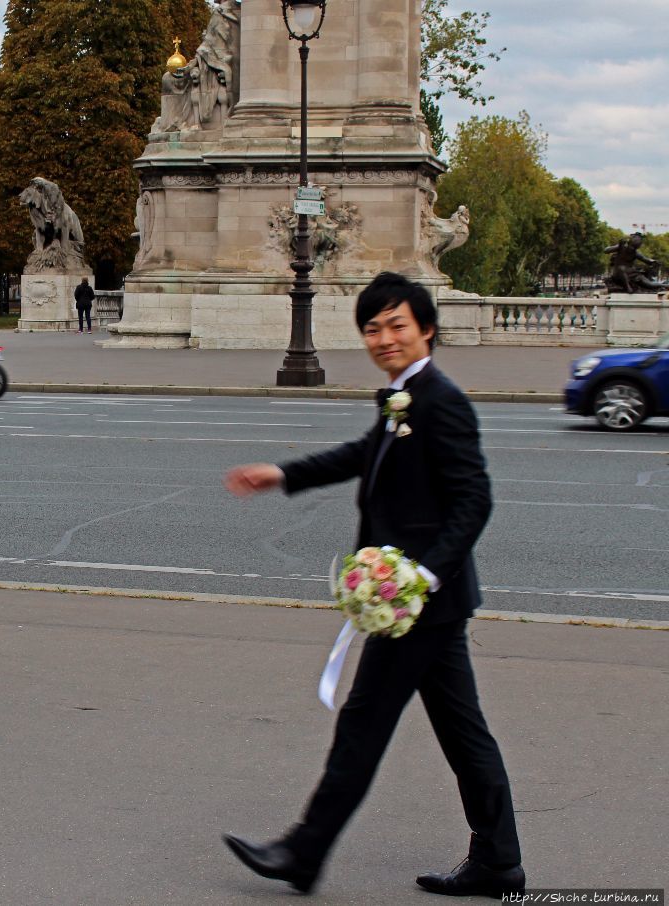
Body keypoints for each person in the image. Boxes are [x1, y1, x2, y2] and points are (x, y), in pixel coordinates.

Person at [219, 272, 523, 898]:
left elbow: (474, 500)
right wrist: (281, 474)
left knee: (363, 725)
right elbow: (363, 454)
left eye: (396, 325)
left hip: (416, 606)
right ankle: (498, 860)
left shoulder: (441, 400)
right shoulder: (402, 397)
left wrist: (420, 577)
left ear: (426, 329)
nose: (384, 338)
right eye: (373, 327)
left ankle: (303, 853)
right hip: (424, 606)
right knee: (465, 734)